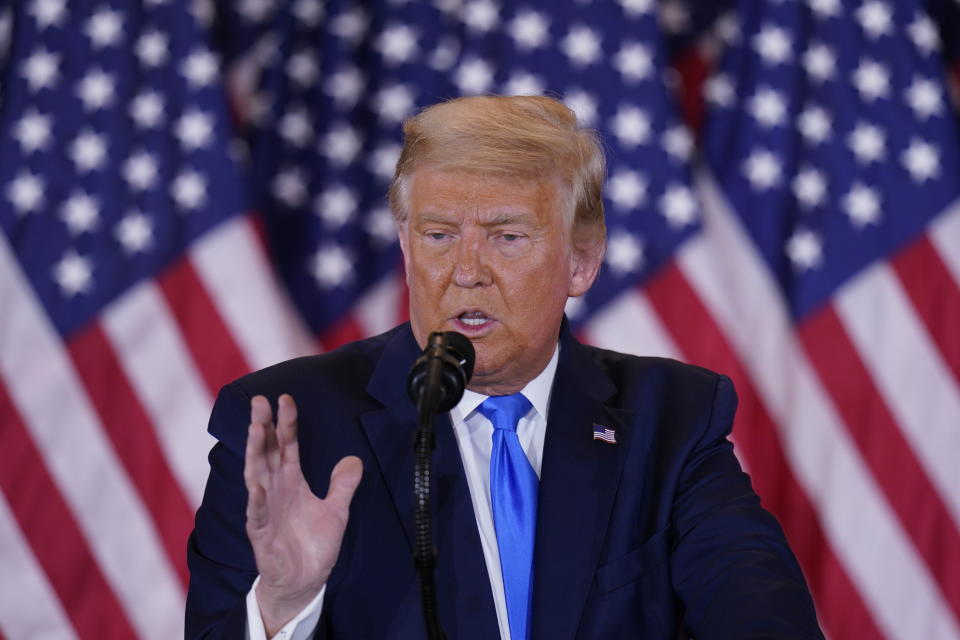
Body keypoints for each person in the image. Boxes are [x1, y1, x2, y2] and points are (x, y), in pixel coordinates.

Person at [185, 95, 824, 639]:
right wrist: (283, 606)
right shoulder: (290, 428)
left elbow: (765, 617)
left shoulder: (670, 419)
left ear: (582, 260)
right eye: (438, 235)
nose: (466, 271)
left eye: (507, 236)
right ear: (406, 249)